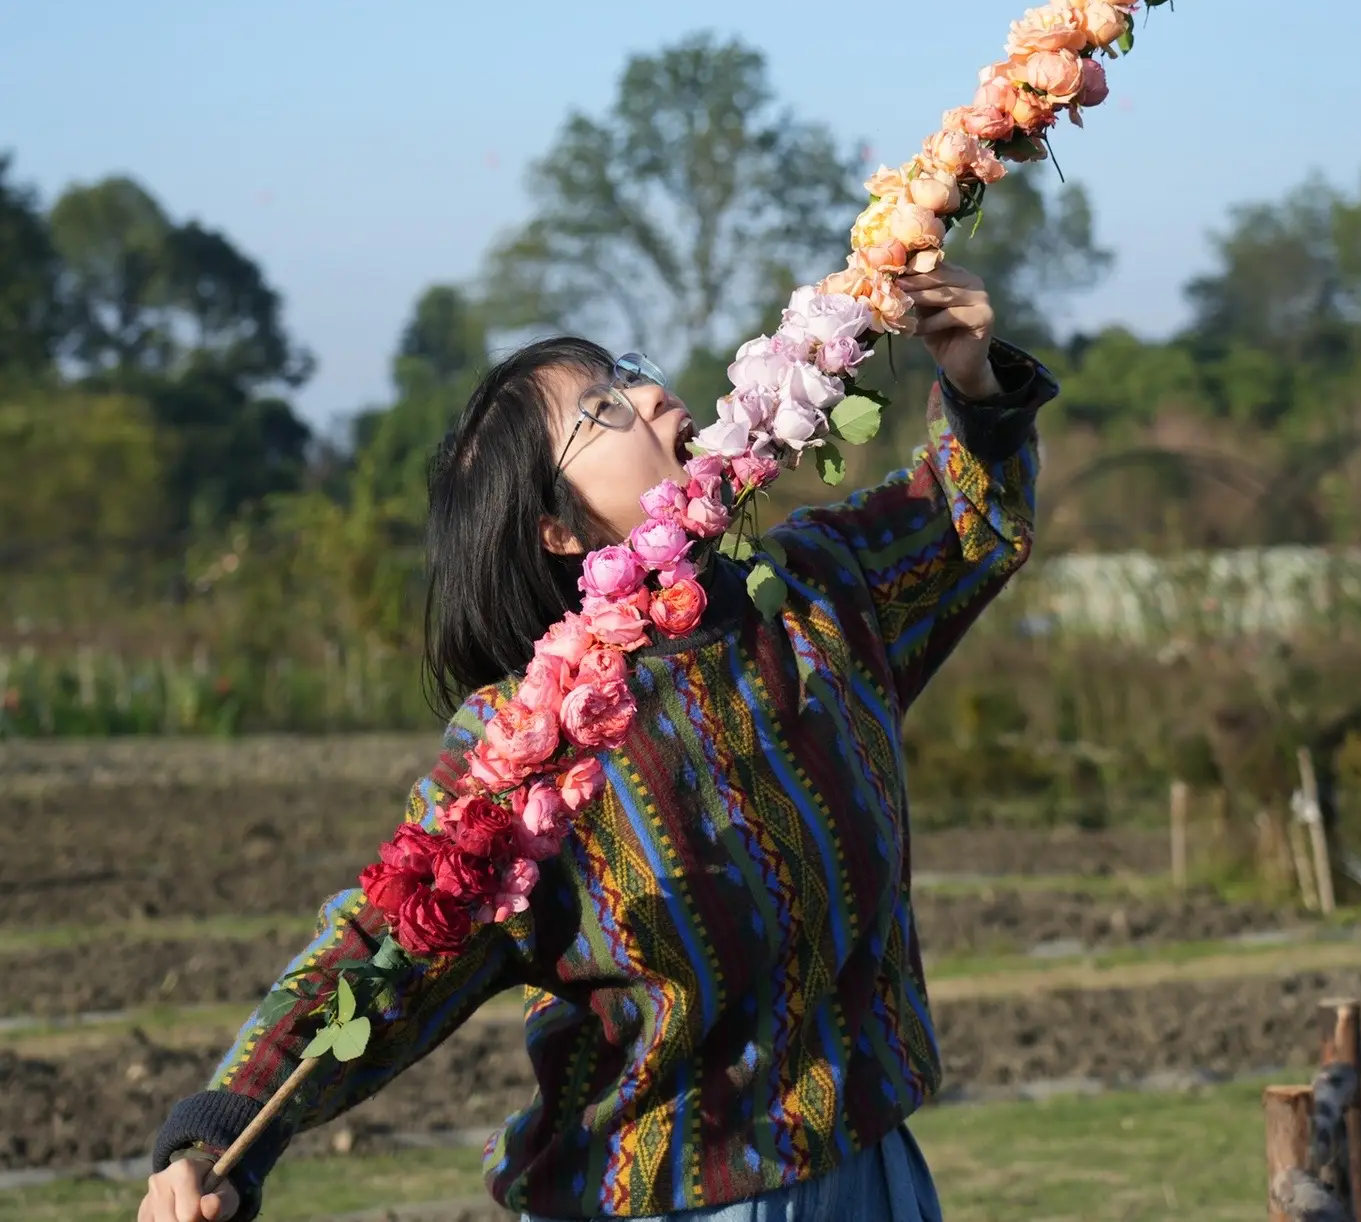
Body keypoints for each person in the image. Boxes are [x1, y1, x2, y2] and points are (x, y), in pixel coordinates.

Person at [142, 263, 1056, 1222]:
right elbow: (388, 947)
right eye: (604, 408)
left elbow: (966, 525)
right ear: (558, 529)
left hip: (873, 1177)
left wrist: (973, 383)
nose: (656, 393)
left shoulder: (820, 594)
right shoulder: (534, 741)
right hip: (663, 1199)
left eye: (632, 373)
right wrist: (218, 1136)